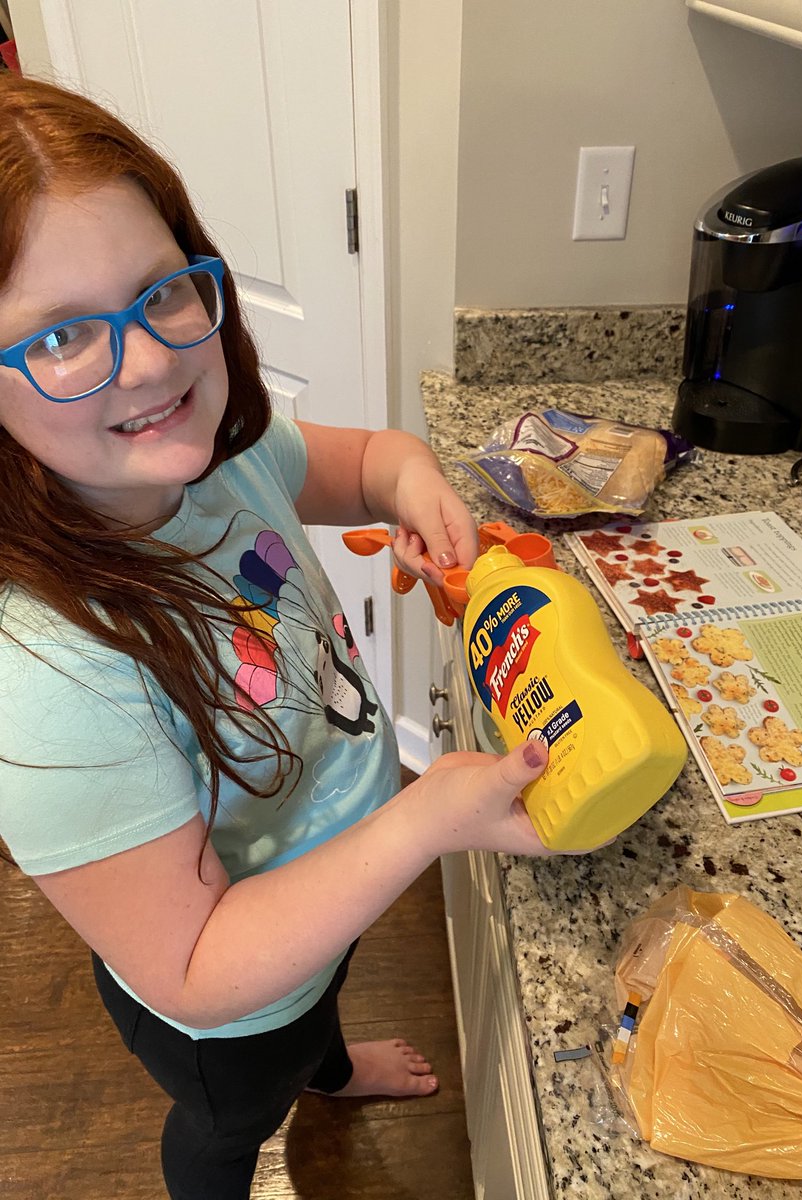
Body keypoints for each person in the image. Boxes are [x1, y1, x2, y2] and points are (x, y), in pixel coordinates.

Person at [0, 75, 558, 1200]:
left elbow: (373, 457)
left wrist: (418, 491)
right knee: (226, 1127)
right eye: (61, 336)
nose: (151, 364)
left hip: (317, 895)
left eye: (162, 293)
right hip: (228, 1010)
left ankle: (331, 1068)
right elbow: (200, 969)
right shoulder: (53, 682)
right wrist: (418, 824)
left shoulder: (225, 459)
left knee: (326, 994)